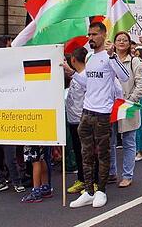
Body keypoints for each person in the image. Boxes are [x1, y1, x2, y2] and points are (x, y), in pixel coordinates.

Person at [68, 22, 129, 208]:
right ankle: (88, 191)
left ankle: (101, 191)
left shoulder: (109, 56)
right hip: (86, 112)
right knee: (86, 153)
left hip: (103, 113)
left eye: (94, 34)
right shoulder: (89, 57)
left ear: (103, 35)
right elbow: (88, 82)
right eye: (89, 34)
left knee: (103, 154)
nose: (91, 37)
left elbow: (125, 76)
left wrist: (112, 57)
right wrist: (71, 73)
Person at [109, 31, 142, 188]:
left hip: (128, 105)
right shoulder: (108, 60)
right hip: (110, 106)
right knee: (109, 141)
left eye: (125, 40)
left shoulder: (135, 62)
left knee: (129, 141)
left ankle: (127, 175)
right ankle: (111, 172)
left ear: (129, 43)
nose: (121, 42)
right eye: (118, 40)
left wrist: (130, 101)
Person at [66, 47, 88, 195]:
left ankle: (91, 182)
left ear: (73, 59)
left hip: (83, 120)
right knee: (78, 152)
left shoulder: (85, 75)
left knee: (87, 152)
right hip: (73, 120)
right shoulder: (75, 76)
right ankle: (82, 179)